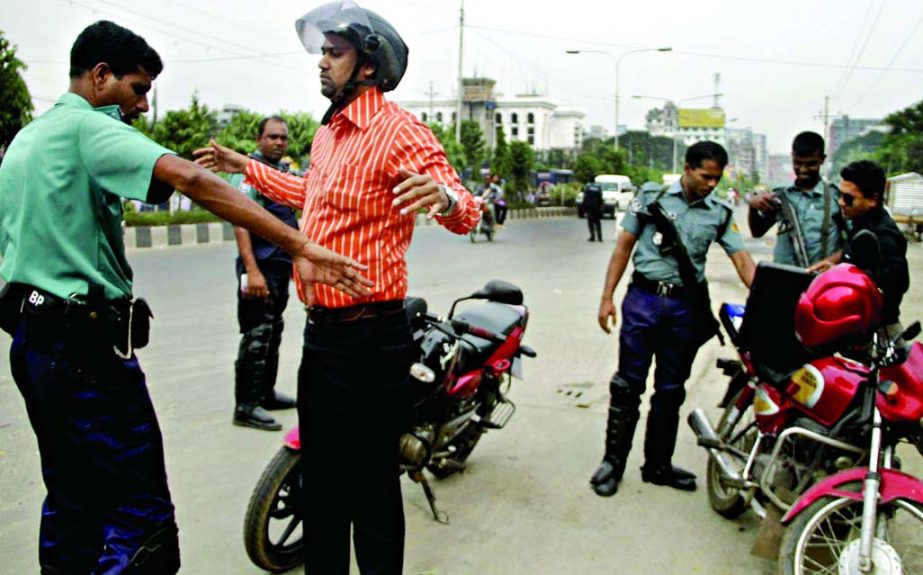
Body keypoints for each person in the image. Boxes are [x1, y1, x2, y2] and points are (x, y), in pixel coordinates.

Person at [0, 21, 370, 574]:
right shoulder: (86, 127)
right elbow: (191, 180)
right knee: (142, 522)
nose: (144, 106)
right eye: (138, 88)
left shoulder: (28, 140)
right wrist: (300, 244)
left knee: (73, 504)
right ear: (101, 77)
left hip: (36, 347)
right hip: (86, 356)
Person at [194, 3, 479, 573]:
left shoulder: (399, 131)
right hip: (322, 336)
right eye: (321, 52)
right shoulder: (329, 135)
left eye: (334, 53)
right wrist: (243, 165)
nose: (321, 63)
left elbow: (465, 207)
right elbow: (308, 195)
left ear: (368, 65)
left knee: (371, 485)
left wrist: (444, 198)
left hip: (373, 337)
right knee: (321, 481)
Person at [590, 141, 755, 497]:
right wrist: (607, 298)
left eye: (716, 178)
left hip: (683, 311)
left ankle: (657, 465)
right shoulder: (652, 198)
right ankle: (612, 464)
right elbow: (624, 247)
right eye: (705, 176)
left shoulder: (720, 211)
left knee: (669, 391)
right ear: (688, 167)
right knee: (627, 386)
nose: (711, 184)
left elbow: (741, 259)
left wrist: (766, 297)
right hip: (643, 302)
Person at [231, 116, 300, 431]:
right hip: (259, 267)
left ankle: (266, 393)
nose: (278, 142)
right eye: (272, 137)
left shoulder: (282, 172)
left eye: (283, 137)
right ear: (259, 139)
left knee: (274, 330)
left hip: (279, 266)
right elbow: (241, 222)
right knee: (256, 335)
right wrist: (252, 270)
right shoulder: (250, 175)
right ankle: (246, 405)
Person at [811, 160, 910, 341]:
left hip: (880, 335)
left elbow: (898, 280)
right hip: (857, 330)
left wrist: (844, 276)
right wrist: (834, 265)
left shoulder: (884, 234)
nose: (841, 202)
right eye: (840, 196)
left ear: (872, 199)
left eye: (849, 198)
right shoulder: (861, 222)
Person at [748, 131, 844, 267]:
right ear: (792, 157)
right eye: (798, 163)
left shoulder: (836, 197)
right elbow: (757, 232)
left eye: (810, 164)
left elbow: (853, 244)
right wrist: (752, 207)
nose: (803, 170)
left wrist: (830, 262)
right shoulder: (781, 197)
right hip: (785, 280)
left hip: (820, 281)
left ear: (822, 159)